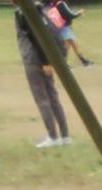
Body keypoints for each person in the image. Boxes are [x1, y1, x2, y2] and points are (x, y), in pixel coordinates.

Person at [15, 5, 72, 147]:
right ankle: (65, 136)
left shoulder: (23, 12)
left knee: (42, 98)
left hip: (35, 59)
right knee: (53, 97)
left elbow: (36, 37)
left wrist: (46, 62)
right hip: (46, 58)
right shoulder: (39, 9)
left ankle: (53, 137)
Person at [45, 2, 93, 68]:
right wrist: (79, 12)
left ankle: (83, 60)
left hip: (60, 26)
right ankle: (64, 63)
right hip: (65, 27)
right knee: (67, 46)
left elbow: (65, 13)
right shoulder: (61, 4)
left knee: (73, 44)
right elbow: (70, 15)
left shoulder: (53, 4)